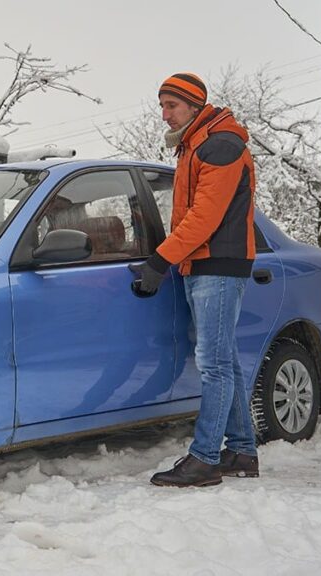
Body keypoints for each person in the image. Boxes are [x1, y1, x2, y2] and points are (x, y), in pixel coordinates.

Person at [129, 72, 259, 487]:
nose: (165, 115)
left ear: (195, 105)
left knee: (214, 364)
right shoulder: (196, 144)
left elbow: (204, 217)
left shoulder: (220, 145)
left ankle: (204, 459)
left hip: (218, 265)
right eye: (162, 106)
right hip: (204, 264)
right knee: (227, 362)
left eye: (172, 106)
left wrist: (159, 260)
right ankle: (241, 450)